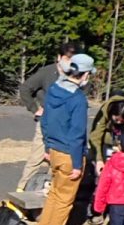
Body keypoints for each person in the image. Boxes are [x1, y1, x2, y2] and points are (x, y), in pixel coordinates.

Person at [35, 52, 93, 225]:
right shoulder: (78, 99)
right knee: (64, 199)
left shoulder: (53, 90)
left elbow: (45, 121)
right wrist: (78, 165)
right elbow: (77, 134)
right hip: (70, 154)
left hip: (54, 151)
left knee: (54, 194)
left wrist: (47, 147)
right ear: (84, 75)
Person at [15, 40, 82, 193]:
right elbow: (25, 88)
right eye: (67, 58)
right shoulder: (47, 72)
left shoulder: (76, 75)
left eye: (73, 60)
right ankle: (20, 191)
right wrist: (35, 108)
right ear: (59, 57)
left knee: (59, 160)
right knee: (36, 158)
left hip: (66, 125)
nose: (69, 63)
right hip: (46, 123)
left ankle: (49, 192)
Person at [89, 93, 124, 166]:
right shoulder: (104, 111)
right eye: (116, 119)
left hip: (122, 140)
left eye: (122, 120)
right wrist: (98, 160)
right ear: (111, 112)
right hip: (106, 140)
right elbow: (95, 136)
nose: (118, 122)